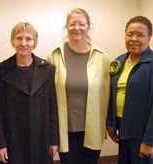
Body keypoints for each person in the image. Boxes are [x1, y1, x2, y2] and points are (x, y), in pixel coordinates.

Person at [46, 8, 110, 164]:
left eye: (81, 24)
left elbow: (108, 94)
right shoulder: (53, 56)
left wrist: (110, 124)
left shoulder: (102, 57)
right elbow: (47, 97)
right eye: (72, 24)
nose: (77, 28)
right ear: (66, 27)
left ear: (88, 26)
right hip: (65, 131)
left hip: (92, 128)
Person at [0, 22, 59, 164]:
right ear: (12, 41)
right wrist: (0, 144)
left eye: (28, 39)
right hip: (12, 140)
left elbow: (52, 108)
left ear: (34, 42)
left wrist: (53, 140)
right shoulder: (0, 70)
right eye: (19, 38)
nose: (23, 43)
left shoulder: (47, 69)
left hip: (41, 138)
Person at [106, 16, 153, 164]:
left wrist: (150, 141)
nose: (133, 38)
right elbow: (111, 94)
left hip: (143, 134)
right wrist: (111, 123)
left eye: (140, 35)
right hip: (124, 129)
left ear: (149, 38)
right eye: (130, 34)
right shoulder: (119, 61)